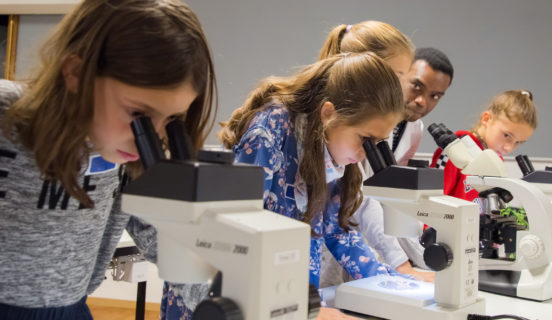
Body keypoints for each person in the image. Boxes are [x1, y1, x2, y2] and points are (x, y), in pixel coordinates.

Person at [0, 0, 217, 319]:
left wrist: (238, 299)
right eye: (139, 114)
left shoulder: (131, 160)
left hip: (71, 309)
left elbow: (167, 244)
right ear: (76, 73)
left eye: (170, 119)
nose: (151, 136)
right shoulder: (6, 119)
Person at [162, 52, 408, 319]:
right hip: (223, 301)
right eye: (365, 139)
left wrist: (397, 286)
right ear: (328, 114)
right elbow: (233, 238)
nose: (365, 154)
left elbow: (339, 232)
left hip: (284, 300)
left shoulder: (328, 150)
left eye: (377, 144)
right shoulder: (271, 132)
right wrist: (308, 311)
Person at [347, 47, 455, 283]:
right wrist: (401, 263)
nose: (422, 101)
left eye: (435, 95)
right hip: (341, 236)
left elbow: (395, 199)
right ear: (398, 75)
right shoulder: (361, 121)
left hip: (376, 240)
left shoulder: (415, 129)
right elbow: (360, 199)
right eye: (417, 86)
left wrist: (427, 261)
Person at [431, 89, 537, 203]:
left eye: (518, 142)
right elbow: (433, 200)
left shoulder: (495, 157)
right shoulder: (454, 149)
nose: (509, 148)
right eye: (507, 135)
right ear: (486, 119)